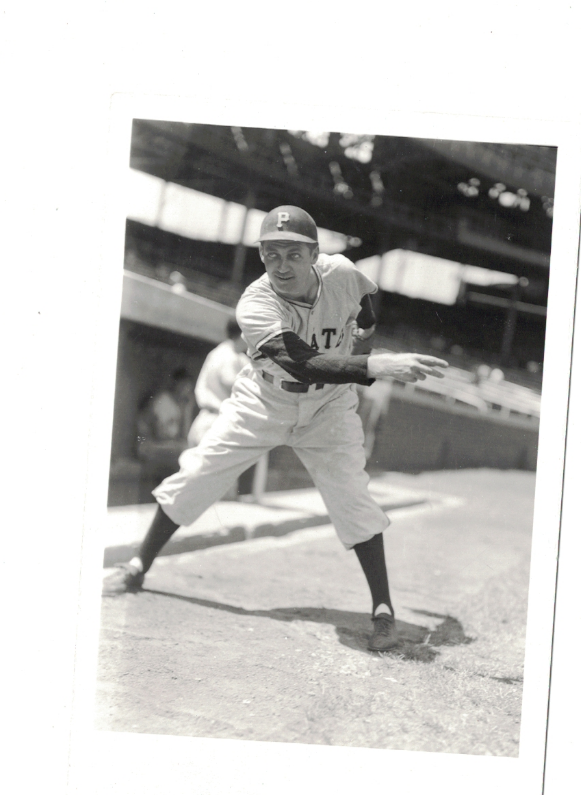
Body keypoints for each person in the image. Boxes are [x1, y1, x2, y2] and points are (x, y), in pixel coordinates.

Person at [103, 206, 447, 651]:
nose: (282, 265)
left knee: (352, 496)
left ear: (315, 254)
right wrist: (373, 365)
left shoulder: (343, 273)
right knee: (200, 471)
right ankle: (137, 566)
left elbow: (366, 320)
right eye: (271, 254)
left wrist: (361, 356)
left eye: (293, 253)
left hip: (328, 406)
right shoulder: (255, 302)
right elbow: (300, 364)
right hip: (265, 399)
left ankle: (383, 611)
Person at [187, 319, 248, 448]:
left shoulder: (234, 356)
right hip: (214, 421)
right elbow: (234, 384)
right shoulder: (227, 354)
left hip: (210, 420)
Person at [136, 368, 195, 489]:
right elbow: (162, 434)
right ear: (175, 383)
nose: (186, 390)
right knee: (185, 449)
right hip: (148, 446)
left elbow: (185, 435)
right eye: (183, 385)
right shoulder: (163, 400)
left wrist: (188, 409)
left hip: (161, 446)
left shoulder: (181, 404)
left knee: (187, 448)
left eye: (188, 386)